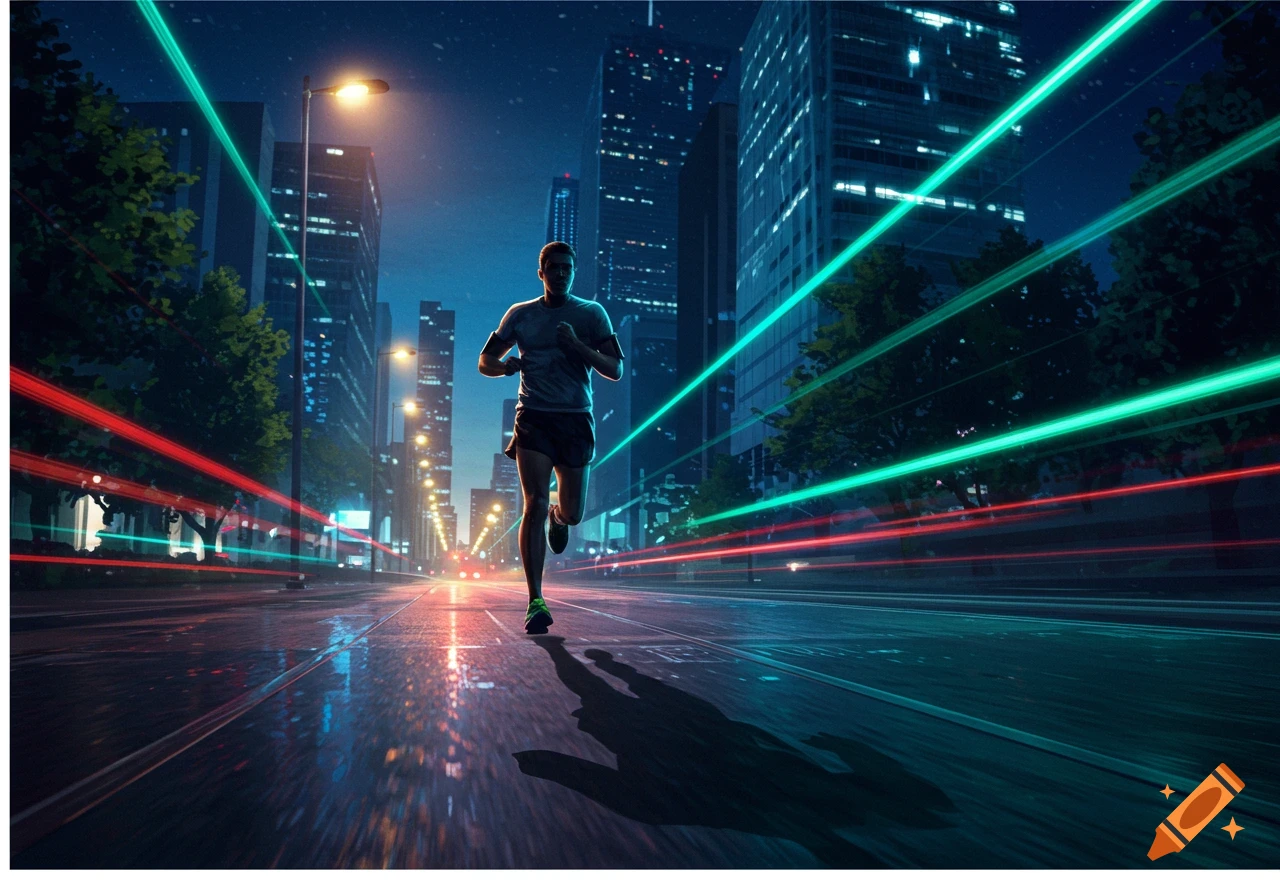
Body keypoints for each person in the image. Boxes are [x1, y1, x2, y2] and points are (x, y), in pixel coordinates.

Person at [478, 242, 623, 633]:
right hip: (534, 417)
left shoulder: (592, 314)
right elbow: (484, 361)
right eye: (553, 268)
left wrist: (578, 346)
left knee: (571, 511)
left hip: (576, 419)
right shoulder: (520, 315)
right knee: (534, 502)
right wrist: (504, 367)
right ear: (541, 272)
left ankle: (561, 517)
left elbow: (615, 369)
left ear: (573, 272)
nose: (560, 273)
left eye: (567, 268)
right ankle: (535, 599)